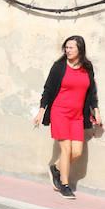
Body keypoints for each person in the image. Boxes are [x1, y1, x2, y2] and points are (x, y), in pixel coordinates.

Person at [34, 36, 101, 199]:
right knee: (66, 150)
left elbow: (92, 92)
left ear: (80, 49)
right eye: (66, 47)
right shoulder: (59, 67)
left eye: (71, 47)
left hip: (77, 116)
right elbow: (48, 89)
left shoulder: (87, 68)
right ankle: (65, 185)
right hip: (60, 113)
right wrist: (41, 111)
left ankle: (56, 169)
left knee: (76, 152)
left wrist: (96, 111)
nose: (68, 50)